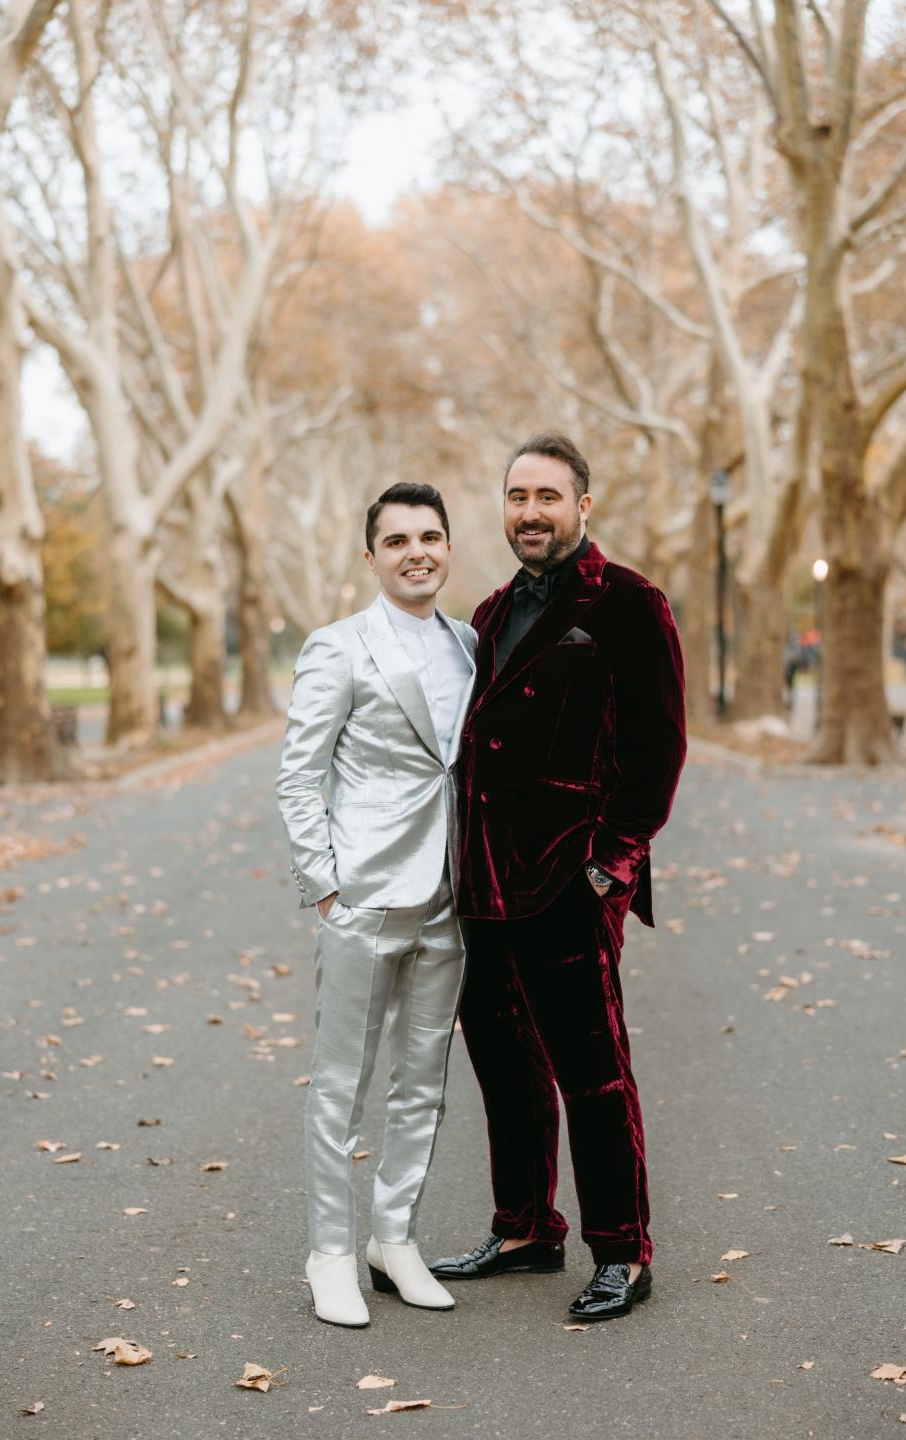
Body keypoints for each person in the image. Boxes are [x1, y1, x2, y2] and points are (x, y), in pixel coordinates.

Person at [431, 433, 687, 1322]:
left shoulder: (628, 602)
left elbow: (657, 752)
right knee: (504, 1067)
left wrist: (608, 870)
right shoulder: (491, 613)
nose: (529, 512)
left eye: (546, 496)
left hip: (568, 883)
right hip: (483, 884)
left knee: (593, 1074)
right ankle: (526, 1229)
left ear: (583, 505)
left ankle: (623, 1251)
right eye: (516, 497)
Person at [276, 482, 477, 1328]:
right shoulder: (339, 646)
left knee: (421, 1084)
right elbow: (299, 772)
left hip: (451, 898)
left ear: (446, 547)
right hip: (361, 895)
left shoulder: (470, 644)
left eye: (430, 536)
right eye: (398, 541)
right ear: (372, 557)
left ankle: (392, 1239)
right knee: (340, 1088)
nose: (417, 552)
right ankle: (330, 1250)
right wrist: (323, 884)